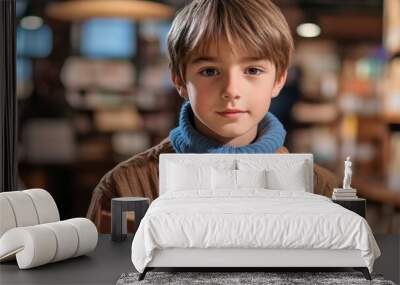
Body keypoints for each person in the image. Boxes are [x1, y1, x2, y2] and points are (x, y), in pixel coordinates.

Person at [87, 0, 339, 232]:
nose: (231, 90)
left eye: (252, 70)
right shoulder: (124, 187)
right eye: (209, 71)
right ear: (179, 79)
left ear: (279, 79)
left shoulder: (320, 189)